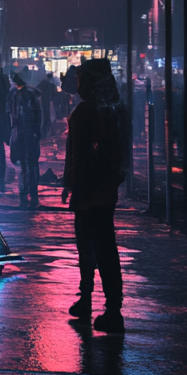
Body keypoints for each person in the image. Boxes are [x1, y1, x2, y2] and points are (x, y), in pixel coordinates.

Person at [62, 58, 129, 334]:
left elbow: (76, 156)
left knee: (90, 248)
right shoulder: (116, 111)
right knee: (105, 248)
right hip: (106, 191)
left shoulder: (84, 112)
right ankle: (111, 305)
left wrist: (73, 187)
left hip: (88, 192)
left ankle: (93, 301)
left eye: (80, 80)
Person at [8, 74, 42, 208]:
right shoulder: (31, 95)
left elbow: (12, 116)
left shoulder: (16, 96)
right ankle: (32, 192)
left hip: (21, 134)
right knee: (32, 164)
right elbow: (38, 115)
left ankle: (25, 191)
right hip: (29, 134)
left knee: (24, 163)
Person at [36, 71, 58, 138]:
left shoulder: (43, 83)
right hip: (48, 103)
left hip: (44, 103)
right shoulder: (52, 85)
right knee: (49, 118)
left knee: (45, 118)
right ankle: (47, 133)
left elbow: (36, 91)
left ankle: (45, 133)